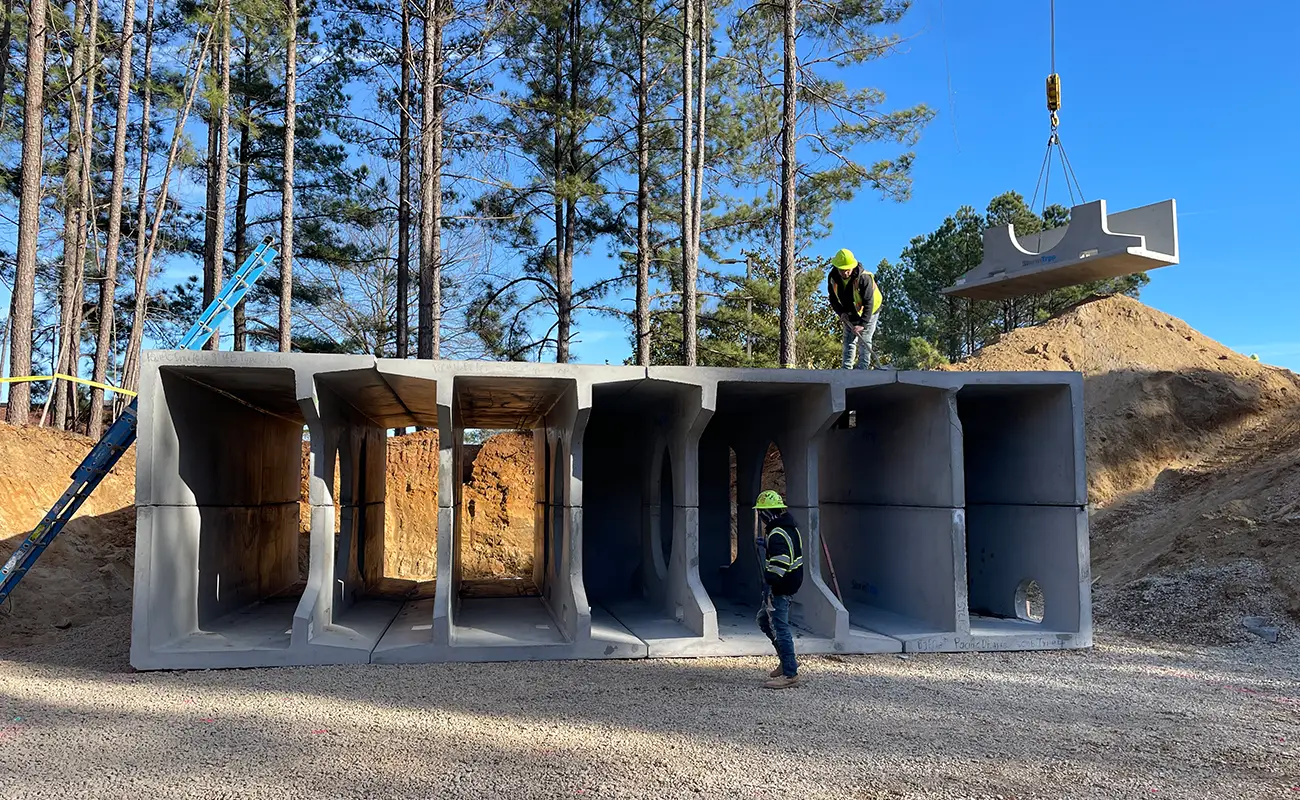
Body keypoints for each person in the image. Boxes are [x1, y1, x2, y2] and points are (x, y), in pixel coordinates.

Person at [753, 490, 805, 689]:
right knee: (764, 620)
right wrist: (767, 545)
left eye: (761, 512)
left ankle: (790, 673)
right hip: (788, 584)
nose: (760, 516)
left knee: (780, 627)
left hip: (780, 588)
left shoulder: (777, 534)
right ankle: (786, 663)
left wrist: (769, 580)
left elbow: (780, 562)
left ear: (767, 512)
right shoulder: (788, 528)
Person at [826, 248, 883, 370]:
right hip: (850, 310)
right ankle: (846, 368)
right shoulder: (833, 277)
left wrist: (863, 324)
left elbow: (869, 302)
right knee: (848, 339)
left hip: (870, 310)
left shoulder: (864, 278)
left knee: (864, 338)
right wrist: (841, 313)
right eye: (842, 270)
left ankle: (863, 367)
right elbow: (833, 299)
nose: (845, 273)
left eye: (847, 270)